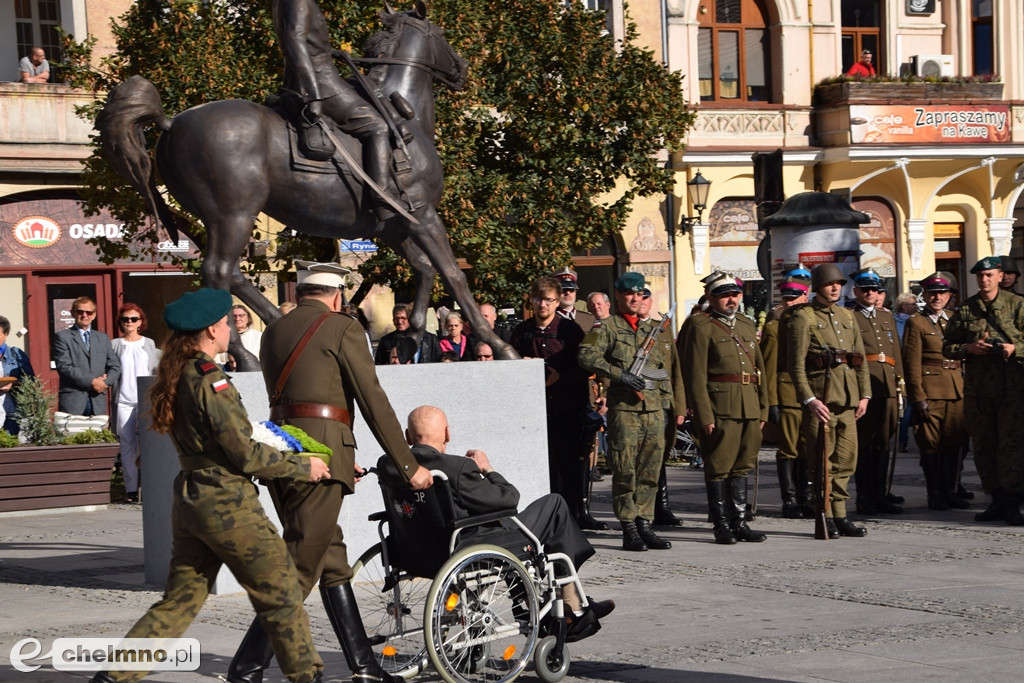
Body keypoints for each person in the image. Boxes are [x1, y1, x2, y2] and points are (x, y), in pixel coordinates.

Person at [89, 288, 328, 683]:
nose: (231, 328)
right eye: (228, 322)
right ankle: (308, 676)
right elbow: (244, 453)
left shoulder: (180, 373)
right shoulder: (209, 379)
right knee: (282, 593)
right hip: (228, 506)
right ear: (214, 328)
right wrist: (303, 466)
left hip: (191, 501)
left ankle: (114, 676)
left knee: (178, 603)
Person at [227, 262, 433, 683]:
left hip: (284, 448)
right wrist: (407, 464)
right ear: (336, 295)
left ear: (302, 292)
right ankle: (246, 669)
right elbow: (371, 397)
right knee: (302, 565)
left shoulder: (274, 331)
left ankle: (364, 667)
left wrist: (332, 450)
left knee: (331, 561)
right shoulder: (342, 327)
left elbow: (294, 400)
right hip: (321, 456)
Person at [393, 405, 615, 641]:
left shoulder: (392, 467)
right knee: (555, 506)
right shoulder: (456, 468)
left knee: (522, 525)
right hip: (466, 547)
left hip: (415, 552)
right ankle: (574, 607)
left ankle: (569, 605)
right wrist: (487, 468)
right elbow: (508, 499)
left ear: (408, 436)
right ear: (447, 433)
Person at [578, 272, 685, 551]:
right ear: (618, 296)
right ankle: (628, 526)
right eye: (630, 294)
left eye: (640, 294)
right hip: (625, 410)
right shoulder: (607, 327)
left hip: (654, 410)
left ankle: (645, 523)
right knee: (626, 470)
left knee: (650, 471)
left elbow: (665, 373)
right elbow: (586, 355)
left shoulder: (657, 329)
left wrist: (668, 407)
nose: (636, 299)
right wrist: (620, 375)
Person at [272, 0, 398, 223]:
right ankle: (382, 196)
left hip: (311, 78)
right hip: (322, 84)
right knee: (378, 126)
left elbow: (307, 42)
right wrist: (313, 94)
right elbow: (295, 42)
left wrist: (332, 52)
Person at [681, 273, 768, 544]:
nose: (731, 300)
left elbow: (760, 369)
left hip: (749, 405)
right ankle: (721, 525)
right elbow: (695, 375)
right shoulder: (700, 325)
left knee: (743, 465)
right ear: (710, 297)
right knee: (719, 466)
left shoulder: (745, 323)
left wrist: (763, 408)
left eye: (734, 294)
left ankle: (739, 522)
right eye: (724, 295)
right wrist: (704, 414)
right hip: (720, 407)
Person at [786, 263, 871, 538]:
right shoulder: (804, 318)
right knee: (822, 463)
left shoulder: (848, 316)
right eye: (828, 284)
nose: (835, 288)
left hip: (847, 400)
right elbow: (796, 365)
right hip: (821, 401)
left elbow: (860, 361)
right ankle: (825, 514)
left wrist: (864, 395)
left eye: (838, 284)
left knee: (846, 461)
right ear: (817, 288)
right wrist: (809, 399)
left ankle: (842, 514)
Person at [942, 256, 1024, 526]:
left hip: (1012, 392)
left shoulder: (1017, 305)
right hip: (979, 392)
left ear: (1001, 276)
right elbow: (947, 347)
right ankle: (995, 499)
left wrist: (1014, 349)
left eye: (989, 275)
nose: (984, 280)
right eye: (980, 276)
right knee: (984, 446)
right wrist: (969, 349)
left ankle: (1012, 502)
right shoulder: (966, 309)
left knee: (1010, 446)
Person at [511, 277, 595, 529]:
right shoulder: (522, 331)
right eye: (538, 299)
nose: (543, 304)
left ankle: (573, 517)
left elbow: (586, 368)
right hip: (535, 413)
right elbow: (510, 370)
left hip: (567, 408)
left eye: (548, 299)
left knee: (570, 466)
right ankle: (544, 520)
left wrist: (560, 377)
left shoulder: (571, 331)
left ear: (558, 301)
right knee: (542, 468)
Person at [903, 272, 969, 511]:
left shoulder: (954, 319)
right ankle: (935, 493)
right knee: (930, 445)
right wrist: (917, 397)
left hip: (956, 390)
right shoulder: (916, 322)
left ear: (950, 296)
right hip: (930, 391)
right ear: (925, 296)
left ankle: (950, 490)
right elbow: (911, 362)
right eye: (932, 293)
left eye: (942, 293)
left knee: (954, 444)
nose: (937, 297)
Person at [849, 268, 905, 516]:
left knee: (883, 442)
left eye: (874, 289)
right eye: (865, 289)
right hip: (866, 386)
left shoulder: (886, 317)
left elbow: (896, 353)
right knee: (865, 443)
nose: (871, 293)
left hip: (888, 385)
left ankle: (880, 493)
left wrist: (900, 383)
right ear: (856, 291)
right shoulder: (850, 317)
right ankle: (865, 496)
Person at [760, 274, 812, 519]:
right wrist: (771, 400)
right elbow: (769, 366)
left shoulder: (814, 320)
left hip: (812, 394)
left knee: (807, 448)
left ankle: (806, 496)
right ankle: (790, 499)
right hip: (788, 392)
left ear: (806, 296)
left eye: (796, 297)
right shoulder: (775, 325)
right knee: (789, 449)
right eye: (786, 298)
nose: (790, 303)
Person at [111, 304, 161, 504]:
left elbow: (155, 368)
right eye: (125, 319)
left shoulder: (148, 343)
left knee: (148, 444)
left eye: (133, 319)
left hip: (145, 400)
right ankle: (131, 489)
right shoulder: (114, 344)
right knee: (127, 445)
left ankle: (148, 486)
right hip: (123, 400)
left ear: (141, 322)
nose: (129, 322)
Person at [53, 296, 121, 416]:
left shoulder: (103, 338)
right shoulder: (62, 337)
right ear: (73, 313)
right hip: (73, 401)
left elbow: (115, 366)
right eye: (80, 312)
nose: (85, 315)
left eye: (89, 312)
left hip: (97, 400)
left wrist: (104, 383)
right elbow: (64, 367)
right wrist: (92, 381)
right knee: (72, 435)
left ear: (94, 315)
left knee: (97, 435)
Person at [0, 316, 35, 435]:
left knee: (8, 448)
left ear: (6, 334)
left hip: (10, 413)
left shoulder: (16, 355)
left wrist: (13, 383)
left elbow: (31, 380)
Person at [374, 303, 441, 364]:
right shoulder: (386, 340)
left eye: (403, 318)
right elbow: (379, 363)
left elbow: (439, 362)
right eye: (396, 318)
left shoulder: (430, 339)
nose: (399, 321)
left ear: (410, 318)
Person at [553, 267, 596, 332]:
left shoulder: (589, 319)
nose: (568, 293)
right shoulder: (549, 319)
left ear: (575, 292)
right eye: (563, 290)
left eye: (571, 290)